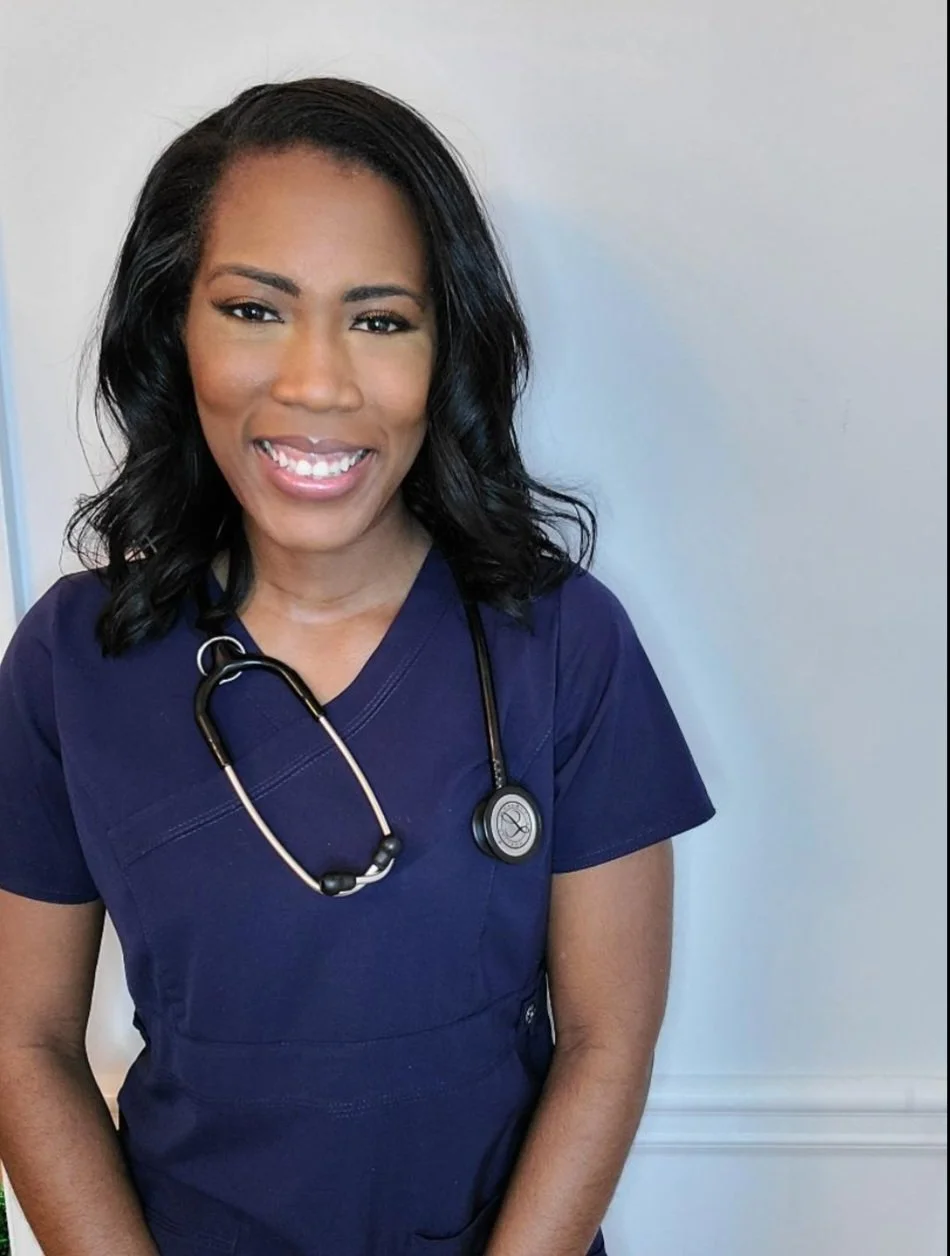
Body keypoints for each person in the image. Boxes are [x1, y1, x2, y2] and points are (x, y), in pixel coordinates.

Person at [0, 78, 714, 1256]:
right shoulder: (72, 664)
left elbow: (606, 1039)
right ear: (173, 331)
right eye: (253, 309)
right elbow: (23, 1041)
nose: (317, 382)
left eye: (380, 320)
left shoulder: (562, 643)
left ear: (447, 351)